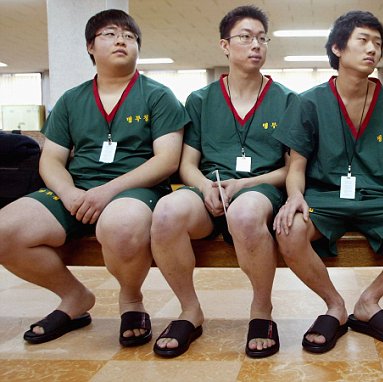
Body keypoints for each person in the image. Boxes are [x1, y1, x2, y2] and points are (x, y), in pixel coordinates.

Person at [0, 9, 188, 346]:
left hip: (135, 190)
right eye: (110, 34)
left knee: (121, 224)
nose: (121, 40)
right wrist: (69, 193)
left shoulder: (158, 96)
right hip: (76, 190)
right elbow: (52, 159)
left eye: (129, 37)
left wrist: (107, 191)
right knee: (4, 230)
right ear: (90, 46)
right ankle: (74, 297)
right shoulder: (72, 100)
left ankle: (131, 300)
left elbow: (167, 160)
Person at [272, 10, 383, 354]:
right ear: (338, 48)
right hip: (324, 198)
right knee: (289, 230)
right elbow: (296, 165)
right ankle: (335, 306)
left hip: (377, 199)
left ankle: (369, 302)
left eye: (378, 43)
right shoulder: (308, 102)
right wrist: (294, 196)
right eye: (363, 40)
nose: (372, 49)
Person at [150, 5, 297, 358]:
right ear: (225, 46)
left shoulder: (288, 99)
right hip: (208, 189)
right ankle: (189, 310)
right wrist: (204, 187)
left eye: (262, 38)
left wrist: (244, 185)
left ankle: (262, 310)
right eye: (245, 37)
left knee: (245, 214)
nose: (255, 45)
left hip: (260, 189)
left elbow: (291, 169)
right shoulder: (200, 100)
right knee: (167, 211)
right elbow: (187, 164)